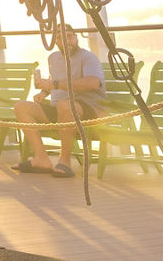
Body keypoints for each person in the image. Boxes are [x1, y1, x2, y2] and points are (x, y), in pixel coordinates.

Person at [12, 23, 107, 177]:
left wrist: (55, 85)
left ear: (76, 38)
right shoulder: (53, 58)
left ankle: (65, 162)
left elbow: (93, 83)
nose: (66, 41)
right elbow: (55, 82)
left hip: (89, 110)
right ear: (55, 42)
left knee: (65, 105)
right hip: (61, 110)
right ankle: (41, 159)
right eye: (60, 38)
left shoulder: (88, 57)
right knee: (21, 106)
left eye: (69, 36)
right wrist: (44, 92)